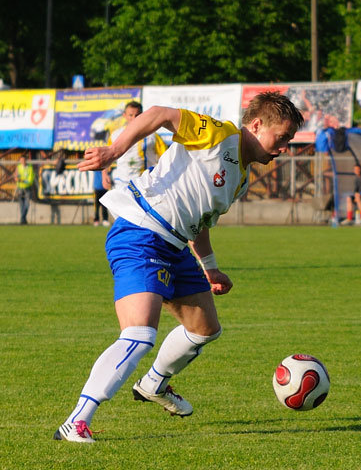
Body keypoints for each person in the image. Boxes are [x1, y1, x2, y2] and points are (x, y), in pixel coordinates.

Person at [53, 92, 304, 443]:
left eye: (289, 141)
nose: (284, 148)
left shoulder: (243, 177)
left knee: (205, 329)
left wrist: (211, 268)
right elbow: (158, 114)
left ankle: (154, 383)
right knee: (140, 335)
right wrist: (114, 151)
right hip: (141, 231)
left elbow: (199, 221)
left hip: (175, 245)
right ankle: (76, 422)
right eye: (282, 138)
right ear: (258, 125)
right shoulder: (219, 135)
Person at [106, 101, 168, 189]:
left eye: (137, 115)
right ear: (124, 115)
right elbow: (106, 156)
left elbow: (165, 157)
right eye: (130, 115)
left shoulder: (153, 136)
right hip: (122, 182)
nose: (134, 118)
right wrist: (104, 175)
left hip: (145, 183)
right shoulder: (115, 135)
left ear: (142, 115)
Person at [14, 155, 35, 225]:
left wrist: (22, 180)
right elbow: (15, 177)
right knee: (21, 204)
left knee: (27, 204)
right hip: (20, 187)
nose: (22, 162)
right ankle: (23, 219)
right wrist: (17, 178)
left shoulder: (30, 167)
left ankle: (22, 218)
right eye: (21, 160)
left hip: (27, 187)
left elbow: (30, 179)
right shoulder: (18, 167)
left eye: (23, 160)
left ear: (26, 160)